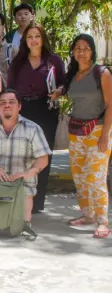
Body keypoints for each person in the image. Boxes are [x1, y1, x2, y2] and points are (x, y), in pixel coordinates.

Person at [51, 34, 111, 239]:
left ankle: (103, 220)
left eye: (85, 48)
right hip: (76, 131)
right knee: (79, 176)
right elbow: (67, 90)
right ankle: (87, 215)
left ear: (92, 50)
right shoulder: (73, 74)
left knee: (96, 177)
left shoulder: (102, 73)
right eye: (77, 48)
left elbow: (111, 105)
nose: (81, 52)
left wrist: (105, 136)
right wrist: (57, 93)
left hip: (98, 130)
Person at [0, 89, 51, 231]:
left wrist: (28, 173)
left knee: (20, 226)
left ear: (19, 106)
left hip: (20, 182)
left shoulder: (33, 129)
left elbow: (43, 159)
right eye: (3, 103)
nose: (7, 105)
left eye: (11, 102)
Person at [7, 22, 64, 213]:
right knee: (23, 155)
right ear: (25, 40)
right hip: (23, 110)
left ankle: (37, 202)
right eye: (30, 36)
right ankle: (22, 197)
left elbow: (64, 84)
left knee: (43, 155)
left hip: (46, 109)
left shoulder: (53, 60)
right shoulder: (18, 62)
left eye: (37, 36)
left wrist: (58, 91)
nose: (33, 40)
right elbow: (11, 88)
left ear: (43, 38)